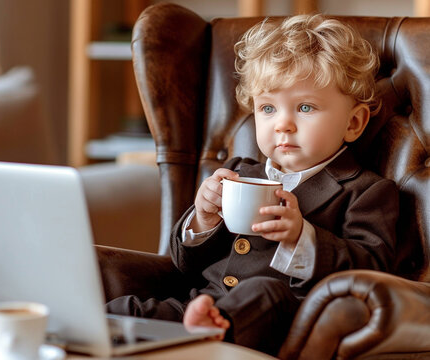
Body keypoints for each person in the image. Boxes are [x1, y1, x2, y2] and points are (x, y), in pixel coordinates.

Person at [107, 14, 399, 355]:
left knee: (264, 291)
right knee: (123, 308)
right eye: (268, 108)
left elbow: (373, 272)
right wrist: (203, 219)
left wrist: (301, 238)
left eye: (305, 107)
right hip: (198, 306)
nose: (283, 125)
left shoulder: (368, 191)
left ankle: (209, 334)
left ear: (353, 122)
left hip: (285, 318)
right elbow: (181, 263)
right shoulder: (237, 172)